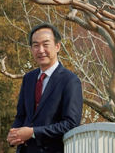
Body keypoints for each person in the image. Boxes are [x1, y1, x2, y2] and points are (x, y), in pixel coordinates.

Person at [7, 23, 83, 153]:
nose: (40, 50)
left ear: (57, 46)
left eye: (45, 44)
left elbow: (71, 124)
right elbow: (21, 115)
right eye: (36, 45)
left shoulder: (70, 81)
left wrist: (33, 132)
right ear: (31, 49)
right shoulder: (29, 78)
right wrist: (15, 133)